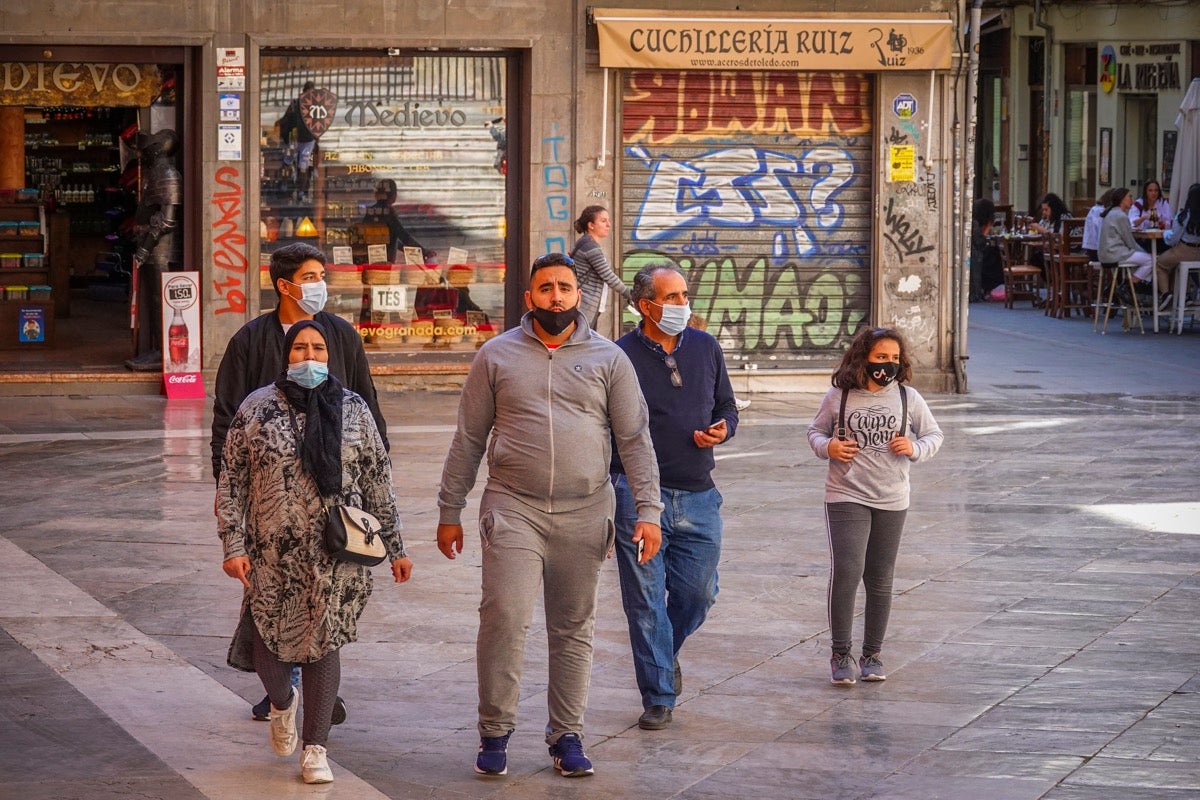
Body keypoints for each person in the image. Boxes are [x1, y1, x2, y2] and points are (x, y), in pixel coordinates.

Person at [435, 252, 662, 779]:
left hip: (587, 512)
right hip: (514, 507)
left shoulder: (609, 359)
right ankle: (494, 730)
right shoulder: (496, 355)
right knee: (505, 619)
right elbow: (468, 438)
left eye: (564, 288)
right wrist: (451, 509)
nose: (555, 297)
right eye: (545, 289)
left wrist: (648, 510)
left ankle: (567, 734)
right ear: (528, 297)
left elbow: (634, 439)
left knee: (573, 626)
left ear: (578, 296)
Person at [217, 319, 413, 785]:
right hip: (271, 554)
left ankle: (315, 749)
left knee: (325, 642)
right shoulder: (256, 409)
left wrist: (398, 546)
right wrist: (233, 543)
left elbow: (378, 481)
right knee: (270, 644)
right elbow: (233, 481)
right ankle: (283, 704)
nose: (309, 357)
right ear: (286, 355)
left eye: (319, 349)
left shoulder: (354, 410)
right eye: (300, 348)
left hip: (336, 553)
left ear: (329, 356)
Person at [211, 242, 389, 723]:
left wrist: (378, 487)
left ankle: (315, 691)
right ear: (285, 285)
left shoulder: (341, 336)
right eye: (311, 276)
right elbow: (227, 419)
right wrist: (231, 497)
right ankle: (282, 689)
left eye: (321, 274)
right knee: (271, 599)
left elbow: (368, 407)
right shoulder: (250, 341)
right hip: (272, 505)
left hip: (333, 502)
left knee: (325, 597)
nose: (320, 284)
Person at [611, 264, 738, 731]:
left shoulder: (706, 347)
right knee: (644, 602)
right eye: (673, 297)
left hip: (700, 494)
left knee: (700, 593)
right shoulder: (618, 356)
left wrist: (725, 429)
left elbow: (726, 404)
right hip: (637, 495)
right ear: (647, 306)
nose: (684, 304)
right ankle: (659, 696)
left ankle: (663, 653)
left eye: (685, 294)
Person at [807, 327, 943, 685]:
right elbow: (815, 433)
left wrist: (914, 449)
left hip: (892, 497)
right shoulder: (839, 396)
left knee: (881, 578)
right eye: (881, 357)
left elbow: (933, 435)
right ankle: (840, 654)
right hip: (845, 494)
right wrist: (828, 448)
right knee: (848, 571)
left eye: (895, 359)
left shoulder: (907, 398)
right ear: (863, 357)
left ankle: (873, 654)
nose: (888, 365)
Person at [125, 129, 183, 371]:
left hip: (160, 248)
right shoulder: (158, 173)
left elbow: (167, 220)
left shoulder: (167, 173)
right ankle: (156, 349)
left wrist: (146, 247)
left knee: (160, 300)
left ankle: (162, 352)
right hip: (153, 246)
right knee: (153, 298)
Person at [571, 205, 632, 329]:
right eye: (603, 221)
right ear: (591, 225)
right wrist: (629, 293)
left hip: (586, 305)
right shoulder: (590, 247)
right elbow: (608, 276)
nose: (608, 225)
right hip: (585, 305)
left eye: (608, 220)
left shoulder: (586, 243)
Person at [1098, 188, 1158, 307]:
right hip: (1115, 253)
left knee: (1140, 262)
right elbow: (1130, 242)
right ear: (1122, 199)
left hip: (1106, 253)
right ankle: (1128, 285)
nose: (1132, 200)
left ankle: (1130, 287)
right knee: (1152, 260)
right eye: (1129, 197)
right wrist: (1145, 251)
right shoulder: (1121, 216)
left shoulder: (1111, 213)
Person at [1156, 182, 1200, 311]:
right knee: (1179, 266)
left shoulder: (1184, 215)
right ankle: (1185, 294)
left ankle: (1165, 294)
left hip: (1185, 250)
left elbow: (1172, 239)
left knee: (1160, 264)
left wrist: (1165, 233)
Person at [363, 178, 428, 263]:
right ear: (394, 195)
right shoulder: (388, 212)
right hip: (384, 262)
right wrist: (424, 252)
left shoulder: (371, 211)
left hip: (370, 259)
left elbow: (391, 237)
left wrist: (406, 249)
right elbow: (402, 234)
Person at [279, 81, 318, 202]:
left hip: (299, 138)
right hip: (299, 138)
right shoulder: (308, 105)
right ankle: (295, 189)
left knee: (298, 165)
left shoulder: (297, 104)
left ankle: (294, 189)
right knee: (296, 164)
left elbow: (286, 120)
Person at [970, 198, 1003, 301]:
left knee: (994, 253)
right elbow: (980, 243)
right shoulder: (974, 224)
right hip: (976, 257)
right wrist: (988, 227)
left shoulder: (974, 222)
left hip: (976, 255)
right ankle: (991, 286)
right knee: (995, 256)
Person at [1081, 188, 1117, 262]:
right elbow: (1102, 234)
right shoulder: (1101, 212)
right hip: (1098, 251)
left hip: (1093, 249)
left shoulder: (1095, 209)